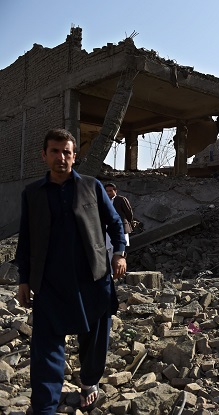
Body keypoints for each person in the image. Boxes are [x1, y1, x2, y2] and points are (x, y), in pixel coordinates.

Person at [15, 128, 127, 414]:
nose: (61, 157)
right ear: (44, 155)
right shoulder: (32, 194)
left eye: (67, 152)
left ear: (75, 156)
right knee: (46, 349)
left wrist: (119, 254)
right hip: (50, 283)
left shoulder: (92, 186)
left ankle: (89, 382)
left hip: (93, 278)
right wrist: (24, 279)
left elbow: (115, 224)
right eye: (55, 151)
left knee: (95, 337)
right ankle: (44, 407)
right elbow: (25, 239)